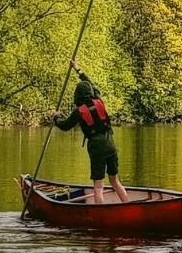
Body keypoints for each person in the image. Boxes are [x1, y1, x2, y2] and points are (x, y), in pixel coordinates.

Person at [53, 59, 130, 205]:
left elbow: (64, 126)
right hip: (110, 144)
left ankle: (100, 213)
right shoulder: (98, 100)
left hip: (96, 148)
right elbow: (90, 83)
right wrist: (78, 69)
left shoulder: (79, 111)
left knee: (98, 185)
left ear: (77, 95)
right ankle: (127, 205)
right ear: (90, 93)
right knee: (115, 180)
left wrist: (56, 118)